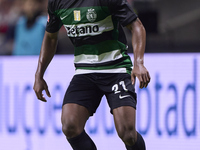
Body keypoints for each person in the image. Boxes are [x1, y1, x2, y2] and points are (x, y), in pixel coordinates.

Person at [33, 0, 151, 149]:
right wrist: (39, 74)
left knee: (127, 134)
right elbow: (50, 37)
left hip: (116, 68)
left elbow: (137, 26)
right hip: (85, 71)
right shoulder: (57, 2)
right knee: (70, 125)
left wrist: (138, 63)